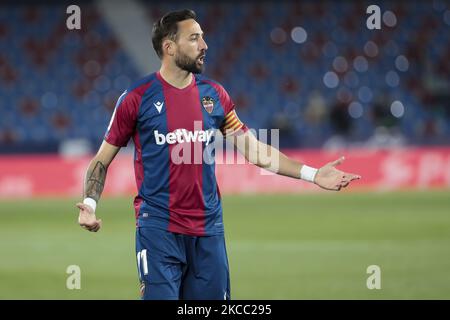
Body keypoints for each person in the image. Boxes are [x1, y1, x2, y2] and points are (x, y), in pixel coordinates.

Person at [76, 9, 361, 300]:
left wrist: (313, 175)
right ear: (169, 47)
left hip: (209, 230)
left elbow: (256, 150)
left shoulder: (214, 95)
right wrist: (89, 203)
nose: (204, 45)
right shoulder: (136, 99)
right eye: (194, 38)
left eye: (203, 37)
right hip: (159, 229)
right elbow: (101, 160)